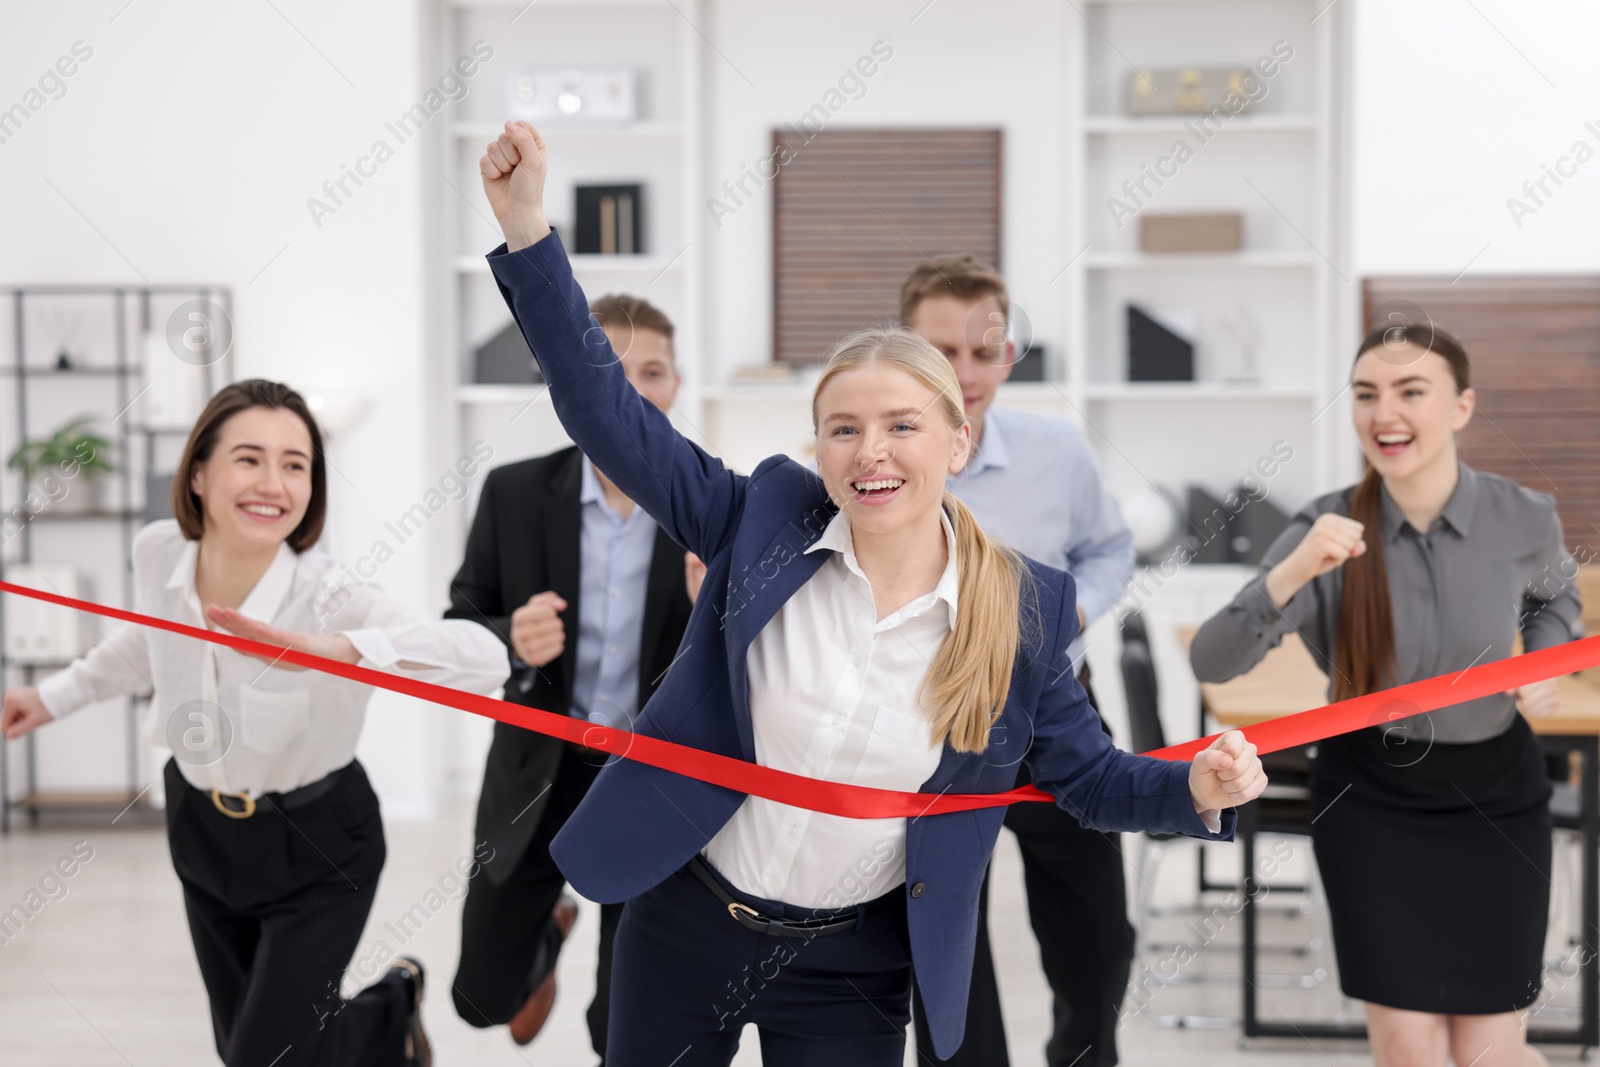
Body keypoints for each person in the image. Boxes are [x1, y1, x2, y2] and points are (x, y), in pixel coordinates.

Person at [476, 119, 1265, 1066]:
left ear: (957, 442)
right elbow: (606, 411)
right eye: (843, 429)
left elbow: (1088, 777)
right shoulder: (760, 520)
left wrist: (1197, 785)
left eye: (901, 424)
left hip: (849, 962)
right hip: (685, 924)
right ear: (819, 449)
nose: (871, 451)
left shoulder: (1019, 610)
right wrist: (528, 228)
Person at [1, 380, 509, 1067]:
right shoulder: (158, 552)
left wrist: (337, 649)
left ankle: (388, 1007)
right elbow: (154, 640)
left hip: (321, 842)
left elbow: (485, 658)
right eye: (249, 457)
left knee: (264, 1057)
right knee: (250, 1042)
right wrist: (53, 695)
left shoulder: (332, 594)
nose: (274, 482)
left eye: (295, 464)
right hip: (202, 829)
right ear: (199, 473)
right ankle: (392, 1011)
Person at [1190, 324, 1581, 1067]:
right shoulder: (1325, 527)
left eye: (1410, 391)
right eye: (1366, 394)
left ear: (1462, 406)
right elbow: (1216, 657)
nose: (1383, 412)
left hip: (1497, 801)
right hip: (1371, 802)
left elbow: (1556, 599)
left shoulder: (1523, 515)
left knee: (1490, 1049)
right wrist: (1293, 570)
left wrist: (1547, 657)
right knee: (1408, 1049)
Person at [900, 255, 1137, 1067]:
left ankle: (1083, 1053)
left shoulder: (1057, 450)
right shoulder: (875, 455)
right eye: (941, 350)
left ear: (1007, 356)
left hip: (1055, 711)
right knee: (944, 941)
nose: (964, 372)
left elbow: (1110, 548)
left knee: (1099, 936)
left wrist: (1072, 608)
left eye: (983, 350)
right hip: (926, 725)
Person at [447, 292, 698, 1056]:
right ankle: (549, 935)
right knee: (480, 999)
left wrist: (712, 609)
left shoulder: (712, 502)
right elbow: (459, 623)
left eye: (650, 370)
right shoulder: (515, 493)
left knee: (623, 1027)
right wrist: (508, 635)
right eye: (609, 368)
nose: (629, 387)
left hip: (653, 781)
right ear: (573, 380)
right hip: (539, 769)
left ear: (675, 386)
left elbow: (762, 661)